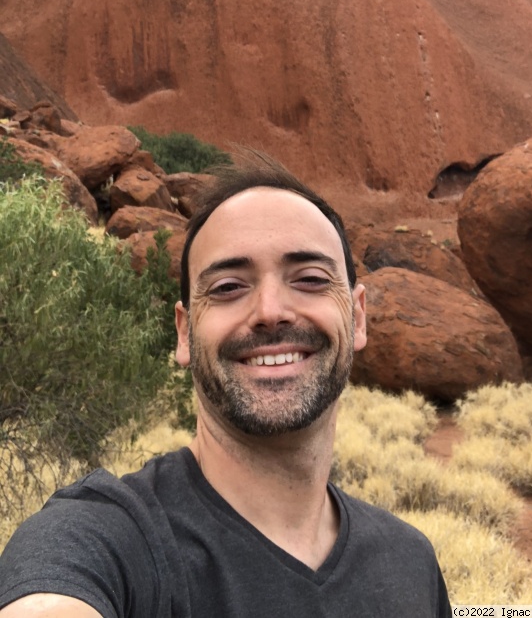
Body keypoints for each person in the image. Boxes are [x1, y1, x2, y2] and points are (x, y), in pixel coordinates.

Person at [0, 149, 452, 616]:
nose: (271, 311)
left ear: (357, 317)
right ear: (184, 333)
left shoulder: (410, 562)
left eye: (311, 279)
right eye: (229, 287)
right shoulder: (108, 541)